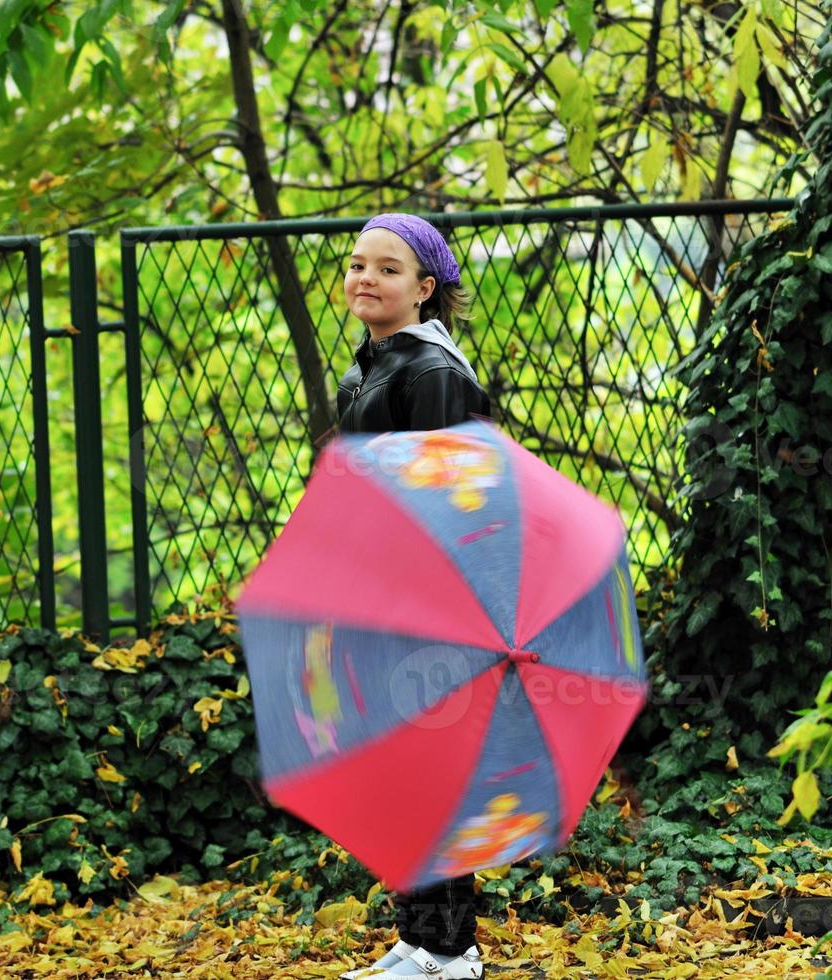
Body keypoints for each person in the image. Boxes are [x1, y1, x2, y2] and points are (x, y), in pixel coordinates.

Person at [334, 212, 489, 980]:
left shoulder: (432, 374)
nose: (365, 277)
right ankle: (418, 936)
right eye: (357, 264)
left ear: (425, 288)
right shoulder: (365, 371)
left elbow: (454, 498)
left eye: (387, 269)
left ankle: (453, 952)